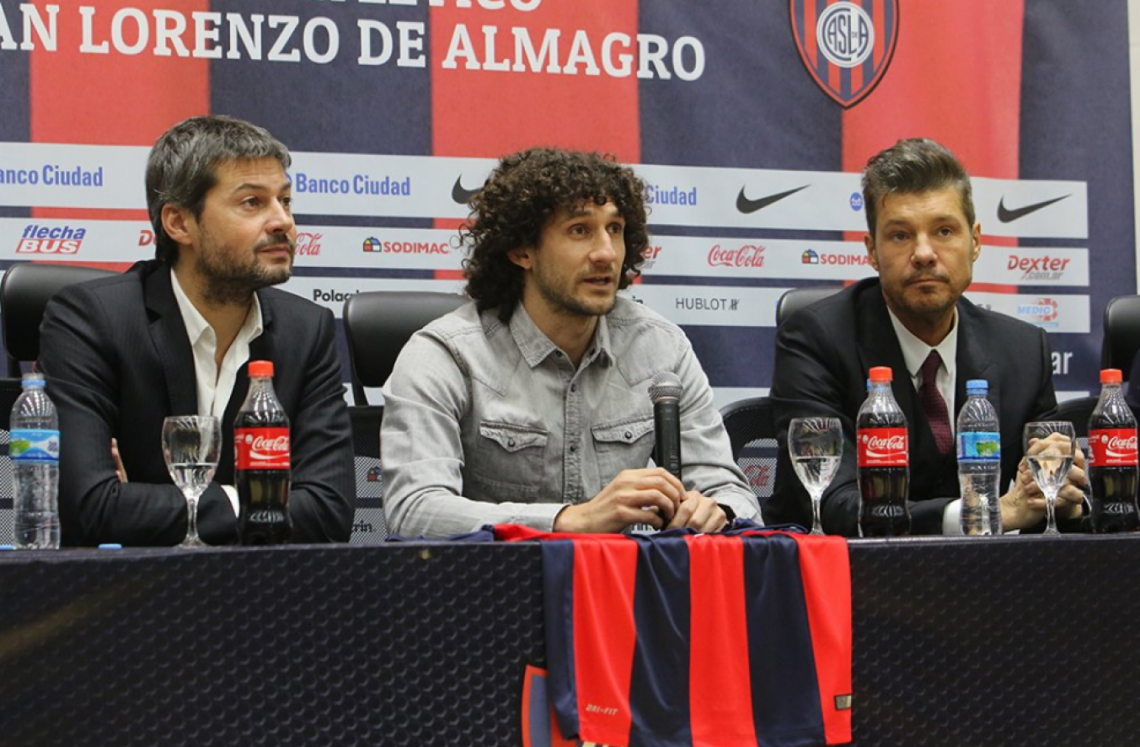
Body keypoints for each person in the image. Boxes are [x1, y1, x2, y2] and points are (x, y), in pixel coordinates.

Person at [381, 147, 759, 538]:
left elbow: (732, 493)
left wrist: (716, 510)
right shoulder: (447, 355)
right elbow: (415, 510)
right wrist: (569, 520)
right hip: (492, 589)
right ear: (521, 250)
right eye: (580, 230)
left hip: (619, 590)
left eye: (614, 229)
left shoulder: (661, 348)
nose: (606, 254)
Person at [39, 115, 355, 546]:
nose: (282, 221)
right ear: (179, 223)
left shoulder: (307, 331)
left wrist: (150, 504)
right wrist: (259, 506)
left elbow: (328, 512)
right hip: (126, 598)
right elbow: (88, 507)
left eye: (285, 201)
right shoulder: (94, 319)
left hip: (264, 597)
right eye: (252, 203)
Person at [769, 137, 1086, 536]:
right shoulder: (815, 339)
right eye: (900, 235)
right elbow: (832, 505)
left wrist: (1064, 494)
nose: (923, 253)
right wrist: (982, 514)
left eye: (944, 231)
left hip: (986, 584)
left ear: (975, 242)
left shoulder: (1023, 350)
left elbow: (1054, 497)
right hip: (844, 583)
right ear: (871, 251)